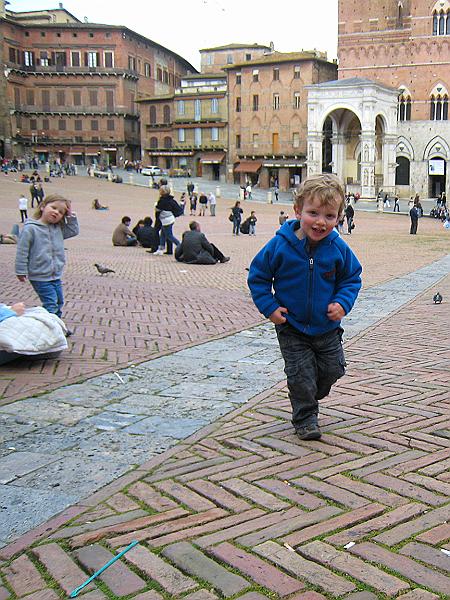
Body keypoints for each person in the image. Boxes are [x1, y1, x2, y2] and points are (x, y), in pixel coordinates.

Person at [247, 173, 362, 441]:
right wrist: (269, 307)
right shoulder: (280, 245)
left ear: (339, 217)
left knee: (334, 369)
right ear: (298, 211)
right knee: (300, 375)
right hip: (292, 327)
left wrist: (343, 302)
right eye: (313, 213)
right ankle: (305, 418)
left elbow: (351, 278)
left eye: (329, 216)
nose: (321, 222)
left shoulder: (338, 247)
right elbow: (258, 277)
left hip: (327, 327)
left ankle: (310, 392)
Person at [15, 194, 79, 322]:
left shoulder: (57, 229)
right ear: (43, 206)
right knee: (51, 304)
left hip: (55, 275)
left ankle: (56, 326)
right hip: (39, 275)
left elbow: (73, 231)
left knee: (59, 302)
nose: (56, 212)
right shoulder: (31, 228)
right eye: (53, 208)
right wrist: (20, 270)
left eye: (61, 212)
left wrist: (70, 216)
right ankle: (51, 327)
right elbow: (22, 251)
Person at [154, 184, 183, 255]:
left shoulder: (162, 201)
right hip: (170, 219)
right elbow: (179, 210)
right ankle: (161, 249)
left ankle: (180, 246)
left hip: (166, 220)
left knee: (169, 236)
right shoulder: (171, 200)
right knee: (162, 234)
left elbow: (158, 210)